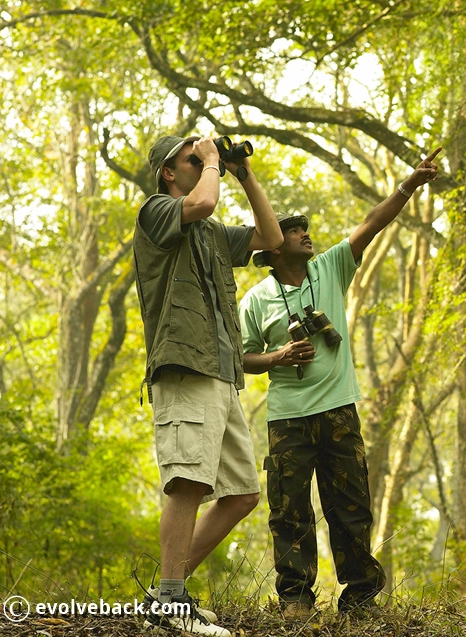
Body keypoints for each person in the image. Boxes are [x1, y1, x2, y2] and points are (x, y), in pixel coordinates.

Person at [239, 148, 441, 617]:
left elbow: (372, 223)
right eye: (293, 230)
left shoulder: (329, 268)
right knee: (289, 512)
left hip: (338, 410)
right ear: (271, 247)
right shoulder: (256, 299)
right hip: (287, 417)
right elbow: (243, 357)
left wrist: (409, 184)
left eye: (303, 228)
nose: (304, 234)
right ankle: (295, 599)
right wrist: (279, 356)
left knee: (350, 505)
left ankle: (361, 599)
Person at [133, 134, 283, 636]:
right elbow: (201, 202)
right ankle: (173, 602)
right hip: (184, 367)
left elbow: (271, 238)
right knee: (189, 483)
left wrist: (244, 174)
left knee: (241, 493)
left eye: (204, 160)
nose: (202, 166)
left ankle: (165, 596)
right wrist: (215, 164)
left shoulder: (213, 231)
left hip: (222, 373)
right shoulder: (156, 211)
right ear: (168, 173)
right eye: (191, 161)